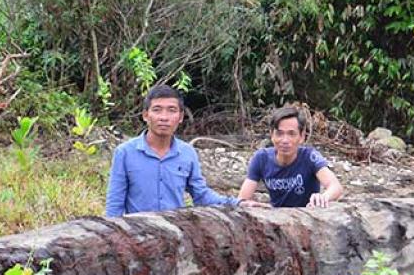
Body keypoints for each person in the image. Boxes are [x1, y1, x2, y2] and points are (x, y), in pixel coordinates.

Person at [106, 84, 255, 217]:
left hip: (176, 232)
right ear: (146, 115)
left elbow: (201, 195)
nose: (164, 117)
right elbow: (115, 204)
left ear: (181, 117)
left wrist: (237, 203)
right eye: (157, 110)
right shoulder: (125, 153)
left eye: (171, 110)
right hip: (138, 233)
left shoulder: (187, 153)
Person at [238, 106, 343, 208]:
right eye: (279, 134)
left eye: (292, 134)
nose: (285, 140)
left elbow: (335, 187)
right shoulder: (261, 158)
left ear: (302, 137)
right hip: (274, 215)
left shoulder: (310, 157)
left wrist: (323, 198)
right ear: (272, 135)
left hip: (308, 213)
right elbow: (242, 199)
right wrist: (252, 205)